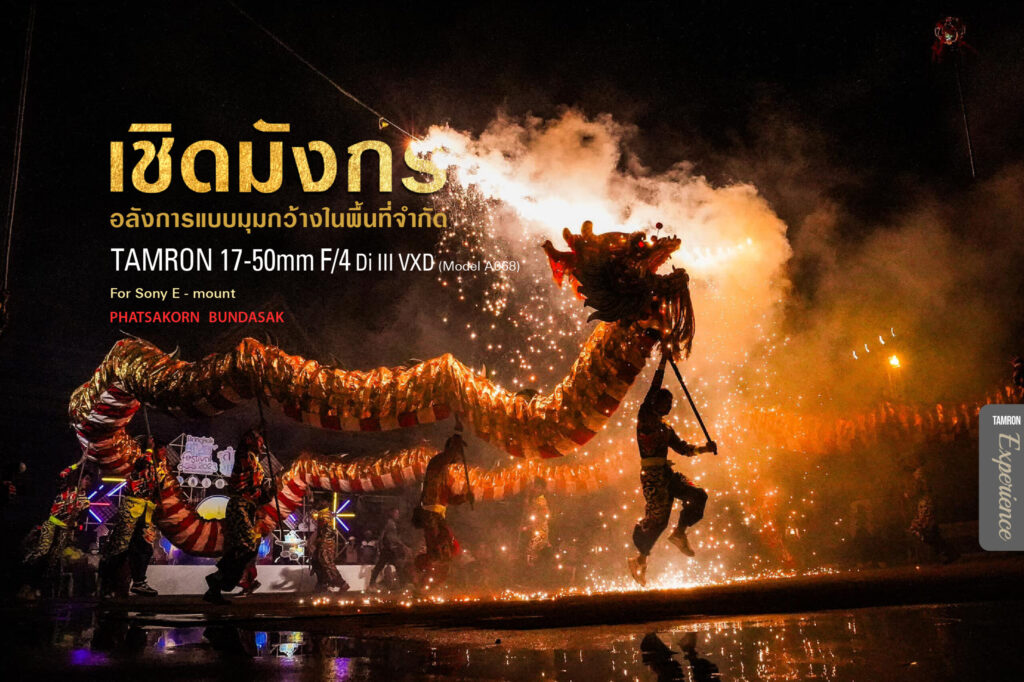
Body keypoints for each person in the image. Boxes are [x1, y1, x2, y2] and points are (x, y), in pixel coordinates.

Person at [629, 351, 716, 586]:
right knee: (658, 522)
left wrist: (705, 449)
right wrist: (663, 362)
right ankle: (639, 560)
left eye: (670, 403)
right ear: (655, 403)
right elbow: (653, 387)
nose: (668, 406)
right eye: (665, 402)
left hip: (667, 475)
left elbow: (684, 449)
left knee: (698, 495)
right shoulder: (645, 417)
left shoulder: (666, 428)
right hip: (652, 478)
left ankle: (680, 532)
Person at [203, 429, 275, 604]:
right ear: (250, 441)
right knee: (247, 545)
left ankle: (218, 582)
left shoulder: (254, 460)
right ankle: (218, 579)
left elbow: (257, 493)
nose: (262, 443)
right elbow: (248, 487)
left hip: (248, 507)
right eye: (259, 440)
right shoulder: (244, 456)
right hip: (239, 506)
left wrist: (270, 492)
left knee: (246, 548)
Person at [99, 439, 165, 597]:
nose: (164, 452)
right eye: (162, 448)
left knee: (144, 548)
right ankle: (106, 585)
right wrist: (148, 450)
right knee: (120, 548)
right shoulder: (139, 460)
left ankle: (139, 582)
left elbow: (157, 488)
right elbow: (138, 470)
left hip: (146, 511)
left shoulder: (160, 468)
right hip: (131, 507)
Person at [412, 426, 474, 588]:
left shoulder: (446, 472)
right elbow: (447, 456)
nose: (458, 458)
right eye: (457, 455)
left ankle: (434, 584)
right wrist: (455, 445)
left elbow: (450, 497)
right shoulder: (437, 462)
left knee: (447, 550)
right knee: (437, 550)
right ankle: (419, 580)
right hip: (430, 514)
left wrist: (465, 497)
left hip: (438, 515)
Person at [19, 464, 91, 598]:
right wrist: (77, 464)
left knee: (52, 560)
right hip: (52, 524)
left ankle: (38, 588)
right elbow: (62, 475)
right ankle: (26, 583)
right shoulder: (67, 489)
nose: (87, 482)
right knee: (42, 552)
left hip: (64, 530)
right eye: (85, 479)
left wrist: (75, 525)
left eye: (89, 480)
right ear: (79, 479)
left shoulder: (86, 502)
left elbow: (81, 523)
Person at [308, 508, 350, 593]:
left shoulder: (325, 521)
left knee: (327, 563)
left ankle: (340, 583)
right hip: (323, 546)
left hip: (325, 545)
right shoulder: (321, 525)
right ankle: (323, 585)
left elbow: (324, 535)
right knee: (319, 563)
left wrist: (317, 542)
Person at [369, 507, 411, 590]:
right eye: (396, 513)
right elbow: (392, 537)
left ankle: (372, 584)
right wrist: (403, 545)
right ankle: (403, 585)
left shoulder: (389, 523)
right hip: (388, 549)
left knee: (384, 566)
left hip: (388, 549)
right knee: (395, 566)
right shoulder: (390, 523)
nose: (398, 515)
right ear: (392, 513)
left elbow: (384, 535)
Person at [523, 477, 552, 568]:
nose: (536, 489)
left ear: (542, 490)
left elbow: (544, 515)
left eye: (538, 488)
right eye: (535, 487)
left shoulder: (541, 500)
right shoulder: (535, 499)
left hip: (540, 530)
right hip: (535, 528)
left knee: (533, 546)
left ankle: (532, 563)